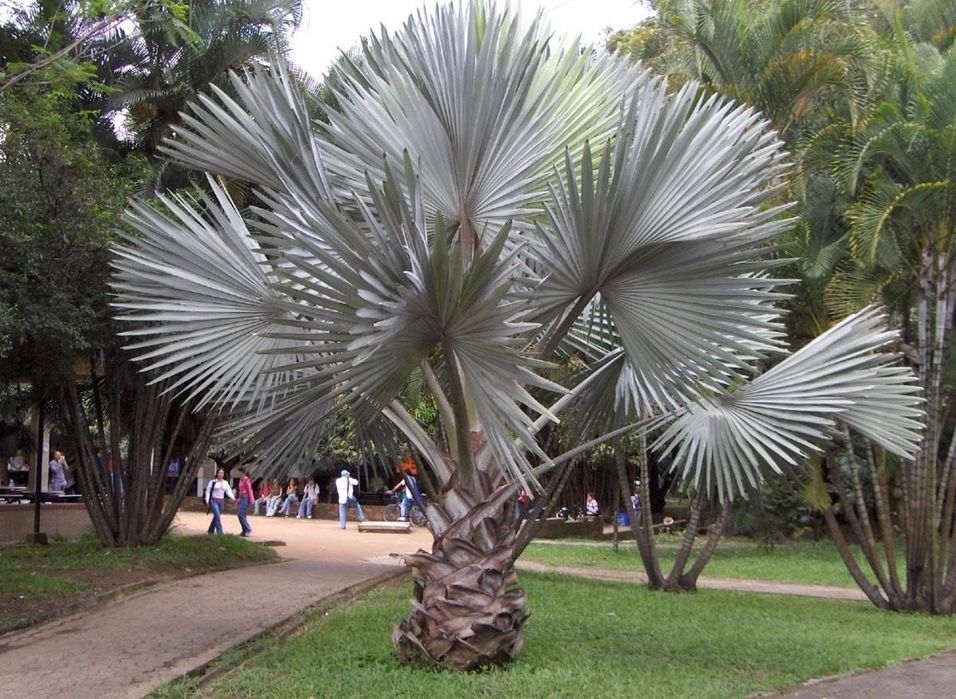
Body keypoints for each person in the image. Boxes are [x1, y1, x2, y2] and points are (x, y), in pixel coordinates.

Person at [204, 467, 235, 535]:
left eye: (222, 473)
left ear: (223, 475)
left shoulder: (225, 483)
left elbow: (228, 491)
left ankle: (211, 530)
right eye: (219, 473)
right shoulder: (213, 482)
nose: (220, 474)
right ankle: (220, 532)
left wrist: (233, 498)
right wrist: (207, 500)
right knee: (217, 516)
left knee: (216, 516)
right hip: (213, 500)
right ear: (217, 474)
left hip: (221, 501)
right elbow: (208, 491)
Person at [386, 456, 419, 521]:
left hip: (409, 495)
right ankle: (408, 516)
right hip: (415, 495)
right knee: (408, 505)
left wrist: (393, 490)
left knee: (403, 505)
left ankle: (403, 516)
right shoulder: (413, 478)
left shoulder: (406, 479)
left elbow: (399, 485)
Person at [235, 466, 255, 537]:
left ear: (242, 472)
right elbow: (240, 490)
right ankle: (244, 531)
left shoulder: (246, 480)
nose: (238, 473)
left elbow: (249, 490)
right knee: (242, 515)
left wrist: (252, 499)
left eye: (239, 472)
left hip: (246, 498)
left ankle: (248, 529)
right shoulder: (241, 480)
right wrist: (239, 498)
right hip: (242, 498)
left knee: (240, 514)